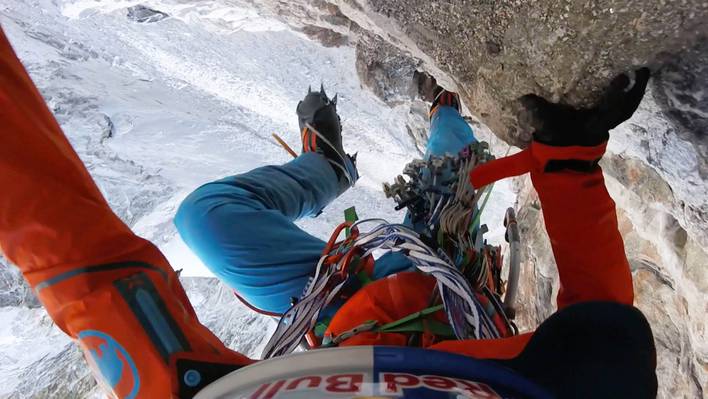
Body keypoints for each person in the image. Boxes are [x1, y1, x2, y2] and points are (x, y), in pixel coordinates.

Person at [0, 25, 656, 399]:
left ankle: (327, 166)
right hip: (447, 291)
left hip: (327, 299)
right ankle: (444, 108)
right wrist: (569, 170)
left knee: (206, 218)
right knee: (452, 160)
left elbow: (81, 266)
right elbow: (598, 323)